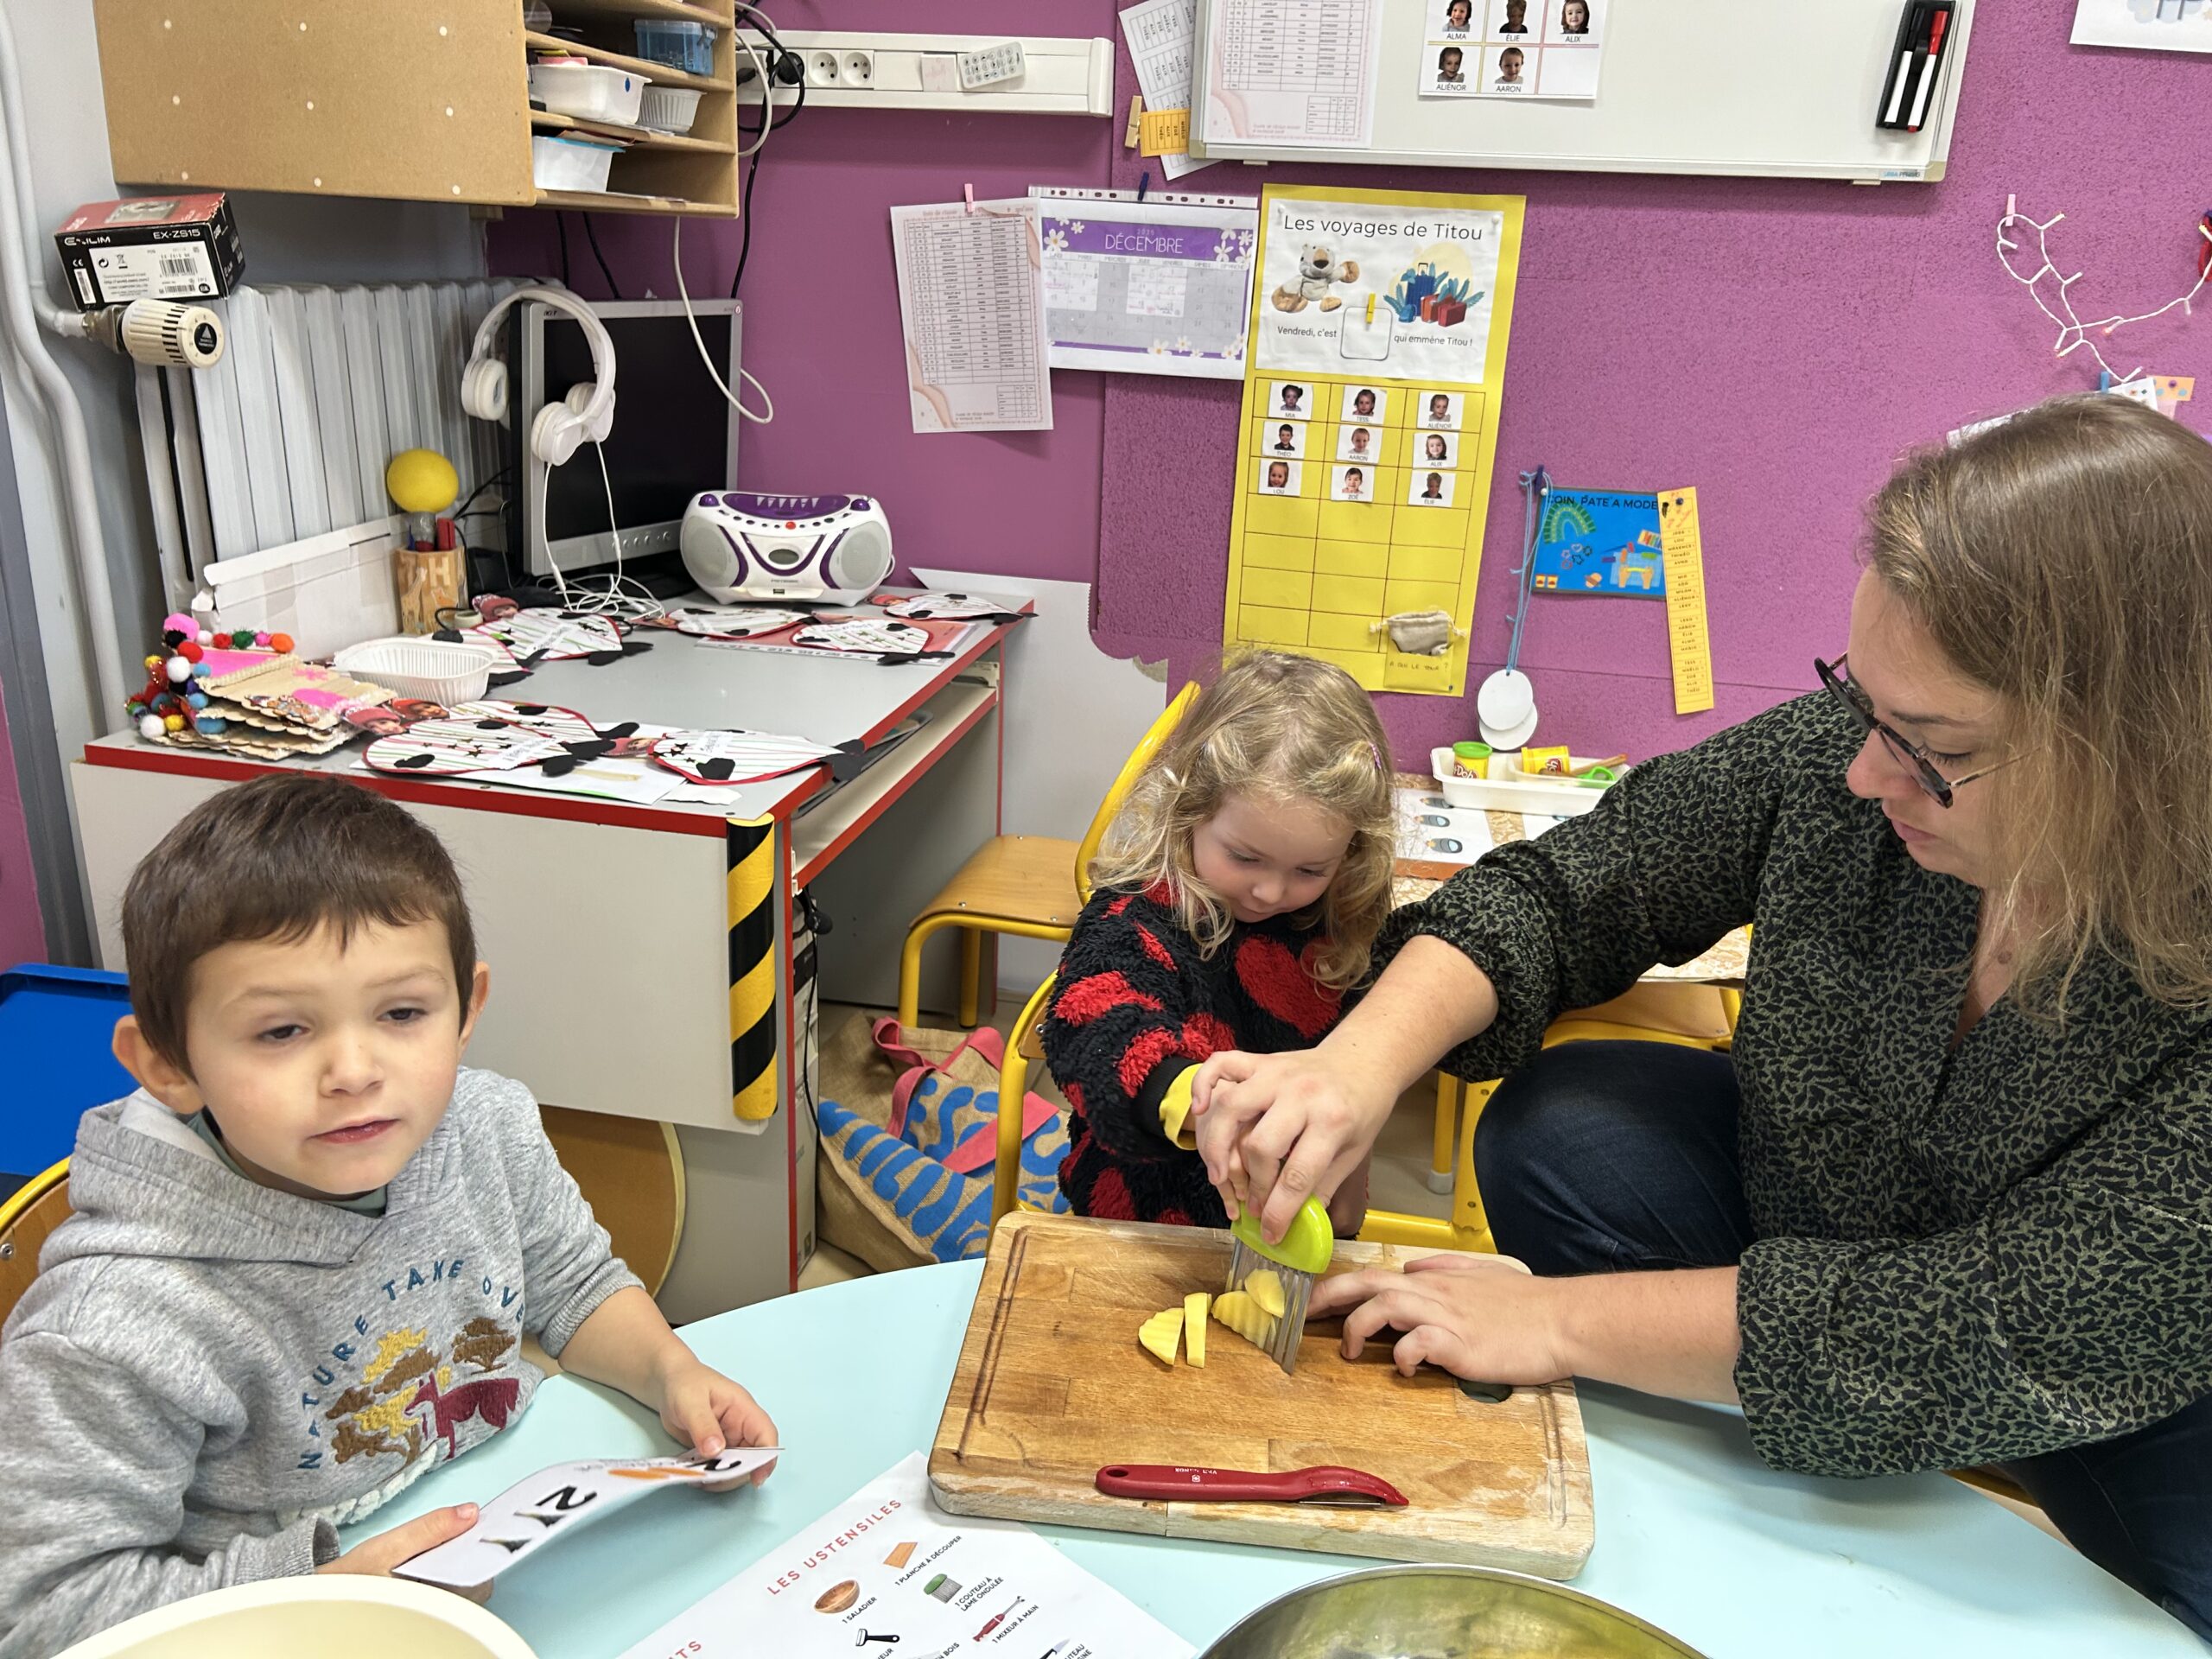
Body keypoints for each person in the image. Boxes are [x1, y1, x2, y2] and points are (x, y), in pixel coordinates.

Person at [1189, 397, 2212, 1636]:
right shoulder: (1857, 757)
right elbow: (1578, 882)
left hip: (2129, 1370)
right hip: (1826, 1226)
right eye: (1864, 708)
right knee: (1568, 1127)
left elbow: (1982, 1325)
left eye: (1929, 746)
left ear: (2130, 754)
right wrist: (1355, 1069)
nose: (1862, 774)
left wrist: (1551, 1323)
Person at [0, 775, 780, 1657]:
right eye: (282, 1031)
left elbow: (574, 1286)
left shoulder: (485, 1126)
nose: (355, 1072)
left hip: (506, 1529)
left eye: (402, 1013)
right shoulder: (111, 1323)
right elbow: (43, 1615)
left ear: (466, 1009)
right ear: (167, 1066)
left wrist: (670, 1369)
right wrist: (323, 1601)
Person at [1041, 652, 1395, 1236]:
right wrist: (1193, 1101)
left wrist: (1352, 1176)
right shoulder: (1138, 913)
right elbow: (1091, 1026)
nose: (1271, 891)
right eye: (1244, 857)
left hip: (1285, 1219)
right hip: (1144, 1216)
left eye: (1310, 870)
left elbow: (1362, 1060)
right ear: (1190, 810)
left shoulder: (1340, 928)